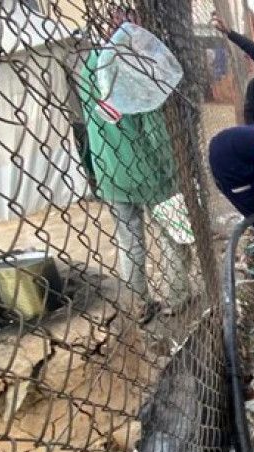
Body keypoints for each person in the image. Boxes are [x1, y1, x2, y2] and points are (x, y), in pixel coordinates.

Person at [79, 8, 191, 324]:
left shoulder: (89, 66)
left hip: (110, 170)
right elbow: (155, 130)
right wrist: (174, 169)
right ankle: (177, 297)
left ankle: (140, 303)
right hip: (151, 172)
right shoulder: (136, 66)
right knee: (175, 235)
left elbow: (89, 122)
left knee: (130, 242)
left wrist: (93, 168)